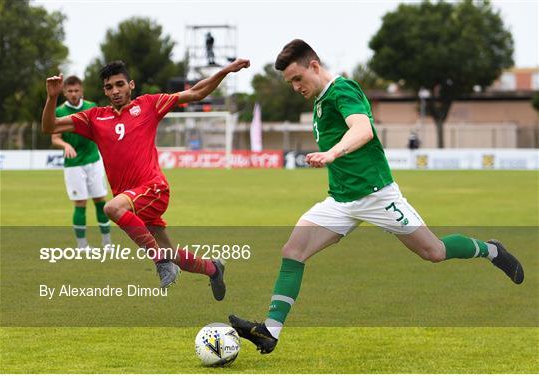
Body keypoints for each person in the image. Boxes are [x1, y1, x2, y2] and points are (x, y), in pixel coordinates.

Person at [229, 39, 524, 354]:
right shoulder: (318, 100)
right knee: (293, 250)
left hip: (378, 196)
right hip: (341, 201)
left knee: (434, 252)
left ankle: (491, 250)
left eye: (298, 78)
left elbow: (363, 129)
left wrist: (332, 153)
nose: (295, 87)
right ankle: (270, 332)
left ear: (314, 65)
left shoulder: (342, 90)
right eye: (290, 83)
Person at [42, 59, 250, 297]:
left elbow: (196, 92)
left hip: (153, 189)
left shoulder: (149, 104)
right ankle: (213, 269)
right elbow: (50, 127)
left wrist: (225, 70)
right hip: (133, 203)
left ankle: (160, 261)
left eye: (120, 84)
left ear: (131, 85)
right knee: (174, 254)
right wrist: (51, 98)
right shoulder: (94, 118)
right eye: (109, 87)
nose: (115, 90)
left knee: (111, 208)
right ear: (104, 91)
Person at [52, 75, 111, 250]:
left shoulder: (91, 107)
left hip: (94, 161)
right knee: (80, 203)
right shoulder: (59, 112)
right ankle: (82, 245)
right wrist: (65, 144)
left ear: (81, 91)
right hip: (74, 165)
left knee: (101, 201)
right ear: (64, 92)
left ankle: (107, 243)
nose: (73, 94)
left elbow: (101, 130)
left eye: (76, 90)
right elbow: (55, 138)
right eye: (70, 91)